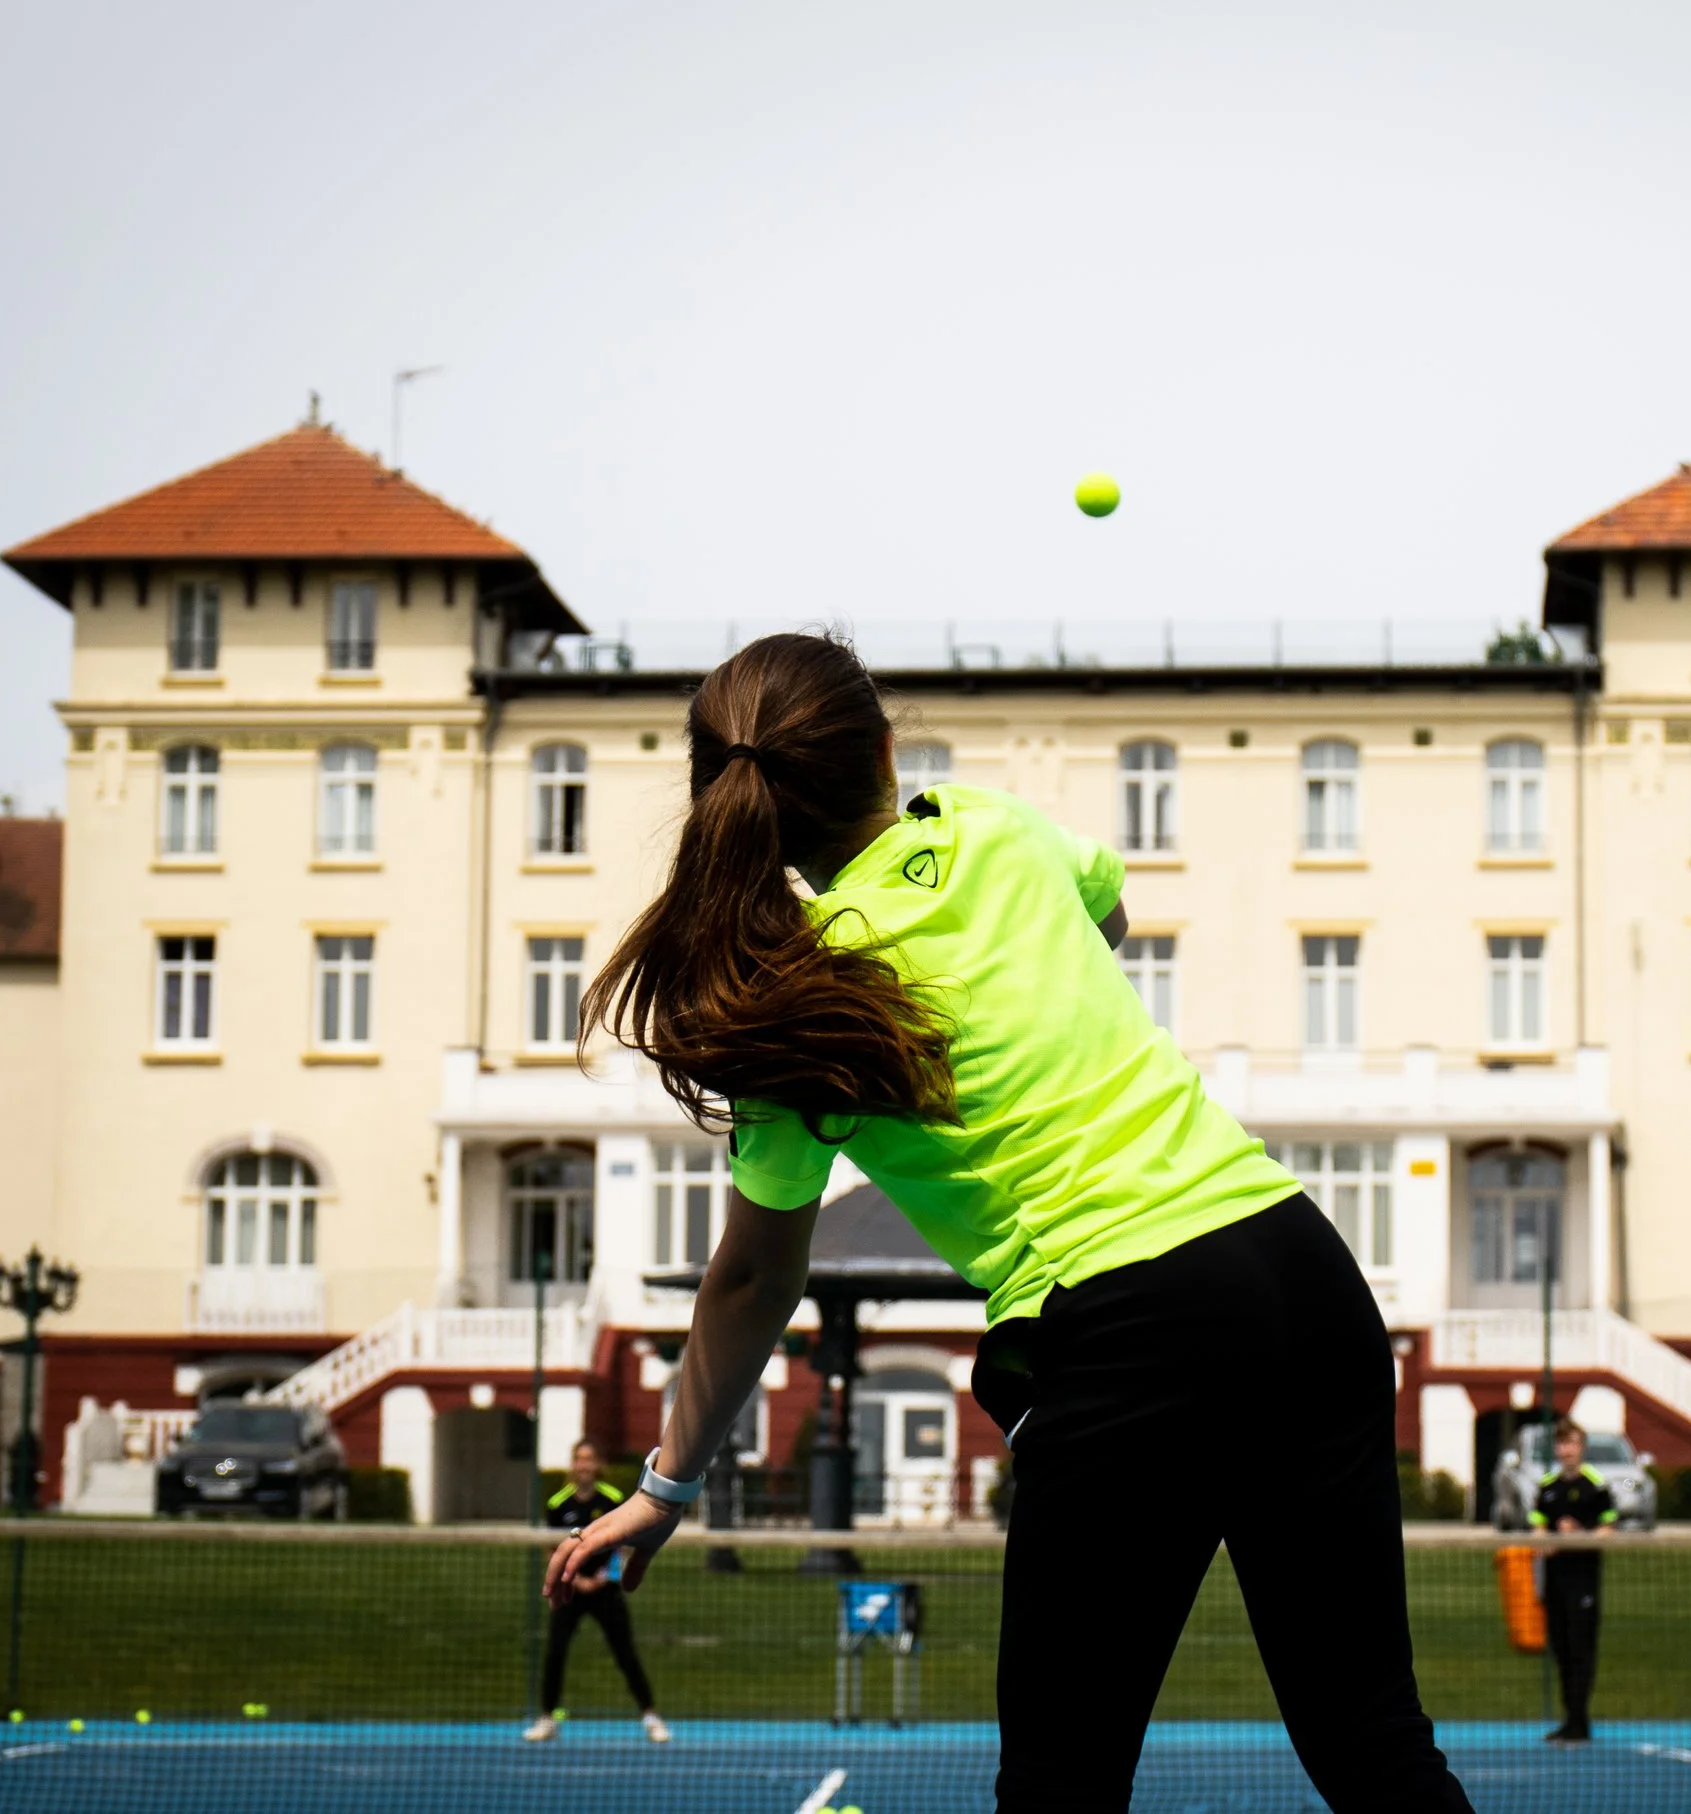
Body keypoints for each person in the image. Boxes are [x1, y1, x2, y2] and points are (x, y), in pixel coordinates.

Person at [544, 632, 1471, 1813]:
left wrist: (663, 1490)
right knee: (1370, 1738)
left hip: (1128, 1324)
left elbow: (748, 1281)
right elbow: (1110, 917)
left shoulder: (793, 1005)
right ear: (886, 752)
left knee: (1060, 1784)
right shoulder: (989, 823)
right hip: (1299, 1266)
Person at [526, 1440, 670, 1745]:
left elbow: (625, 1543)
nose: (584, 1465)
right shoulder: (558, 1504)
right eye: (579, 1459)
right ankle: (547, 1717)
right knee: (556, 1652)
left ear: (598, 1465)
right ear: (573, 1465)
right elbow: (551, 1548)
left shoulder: (613, 1499)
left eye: (589, 1459)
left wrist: (606, 1576)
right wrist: (575, 1579)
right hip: (571, 1589)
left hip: (606, 1589)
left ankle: (650, 1715)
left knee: (625, 1653)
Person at [1527, 1417, 1616, 1744]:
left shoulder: (1596, 1485)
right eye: (1563, 1444)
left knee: (1582, 1650)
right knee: (1562, 1650)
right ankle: (1570, 1720)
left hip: (1584, 1582)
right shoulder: (1547, 1487)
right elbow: (1537, 1527)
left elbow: (1608, 1529)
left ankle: (1580, 1720)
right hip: (1555, 1582)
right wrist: (1545, 1541)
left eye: (1573, 1444)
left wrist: (1579, 1535)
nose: (1567, 1450)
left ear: (1582, 1448)